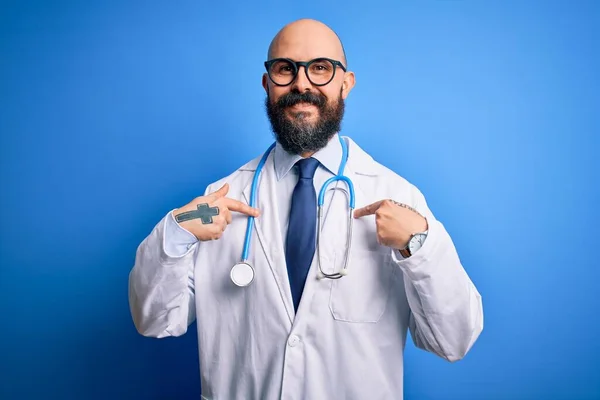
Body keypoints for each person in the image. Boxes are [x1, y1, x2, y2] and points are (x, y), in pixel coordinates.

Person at [128, 18, 483, 399]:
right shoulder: (220, 198)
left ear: (345, 83)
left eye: (320, 68)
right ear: (267, 84)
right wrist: (179, 228)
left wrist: (418, 244)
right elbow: (154, 320)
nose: (302, 83)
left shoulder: (396, 195)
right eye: (286, 69)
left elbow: (454, 339)